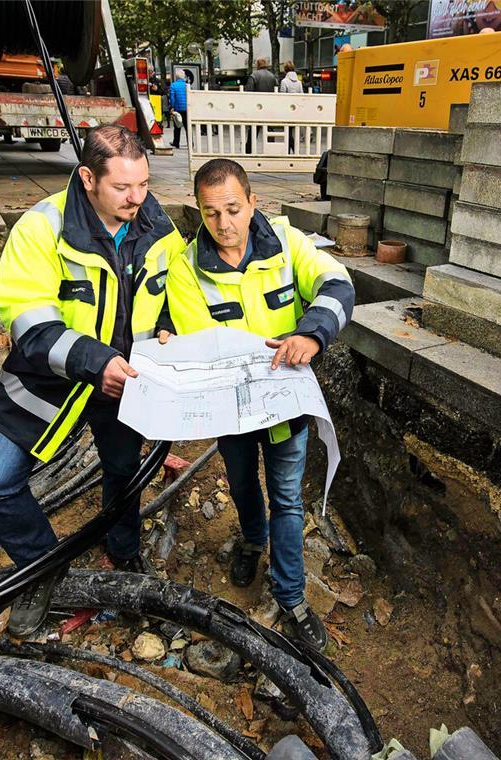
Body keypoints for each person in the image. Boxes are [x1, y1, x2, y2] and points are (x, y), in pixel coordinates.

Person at [0, 125, 187, 639]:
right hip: (50, 384)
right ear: (88, 177)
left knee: (124, 474)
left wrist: (171, 324)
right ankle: (42, 567)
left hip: (125, 384)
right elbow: (28, 323)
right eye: (123, 188)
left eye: (144, 184)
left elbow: (174, 294)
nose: (138, 198)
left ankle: (124, 553)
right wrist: (93, 360)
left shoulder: (159, 226)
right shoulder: (41, 229)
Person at [161, 159, 355, 652]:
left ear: (252, 203)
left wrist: (311, 334)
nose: (224, 224)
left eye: (232, 209)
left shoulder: (289, 245)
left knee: (287, 499)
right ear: (200, 213)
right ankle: (251, 538)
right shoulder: (187, 269)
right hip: (232, 408)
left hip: (287, 405)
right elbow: (203, 344)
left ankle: (291, 597)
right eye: (210, 213)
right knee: (244, 480)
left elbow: (338, 286)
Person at [244, 59, 278, 154]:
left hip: (256, 107)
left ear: (258, 65)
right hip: (269, 107)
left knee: (253, 130)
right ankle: (271, 148)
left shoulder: (254, 76)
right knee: (269, 128)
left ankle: (249, 150)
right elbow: (276, 90)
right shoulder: (272, 76)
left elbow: (248, 91)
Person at [279, 61, 304, 154]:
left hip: (287, 110)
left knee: (288, 132)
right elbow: (302, 96)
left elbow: (282, 97)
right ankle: (292, 150)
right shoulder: (299, 82)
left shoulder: (284, 82)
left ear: (285, 70)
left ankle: (291, 150)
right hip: (296, 110)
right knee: (292, 131)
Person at [168, 71, 188, 149]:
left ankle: (176, 142)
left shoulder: (173, 85)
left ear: (176, 77)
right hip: (187, 109)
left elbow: (172, 98)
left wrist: (172, 107)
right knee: (187, 127)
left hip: (178, 108)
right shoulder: (187, 85)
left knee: (177, 126)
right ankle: (190, 143)